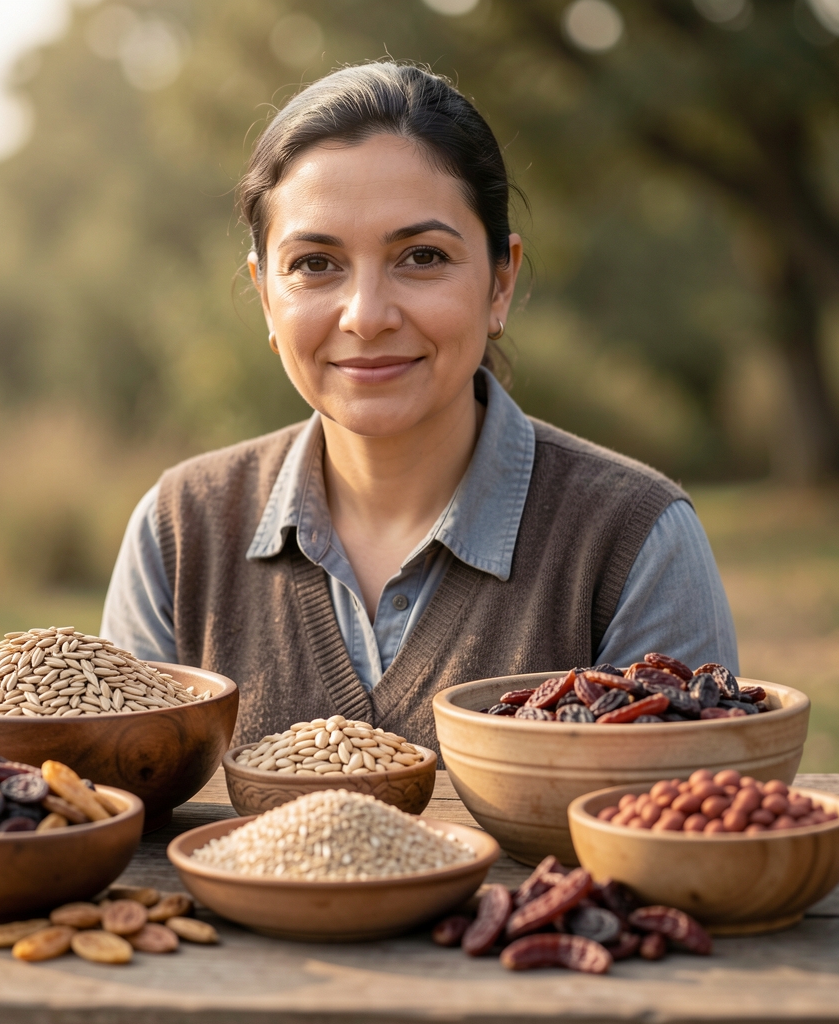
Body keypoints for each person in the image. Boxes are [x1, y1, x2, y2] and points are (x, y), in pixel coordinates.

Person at [101, 62, 738, 753]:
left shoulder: (632, 540)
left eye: (423, 257)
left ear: (500, 283)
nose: (367, 316)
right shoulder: (178, 536)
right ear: (264, 295)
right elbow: (121, 828)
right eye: (315, 264)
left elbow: (677, 834)